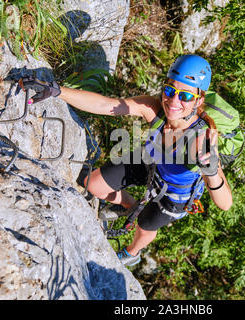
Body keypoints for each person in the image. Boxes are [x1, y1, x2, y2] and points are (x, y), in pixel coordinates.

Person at [23, 55, 233, 266]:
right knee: (92, 184)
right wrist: (57, 91)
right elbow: (108, 105)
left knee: (144, 225)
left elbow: (225, 204)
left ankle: (132, 253)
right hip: (151, 162)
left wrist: (212, 172)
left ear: (199, 101)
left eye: (185, 96)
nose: (174, 101)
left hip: (175, 193)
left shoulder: (200, 140)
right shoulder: (154, 109)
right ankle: (130, 205)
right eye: (169, 90)